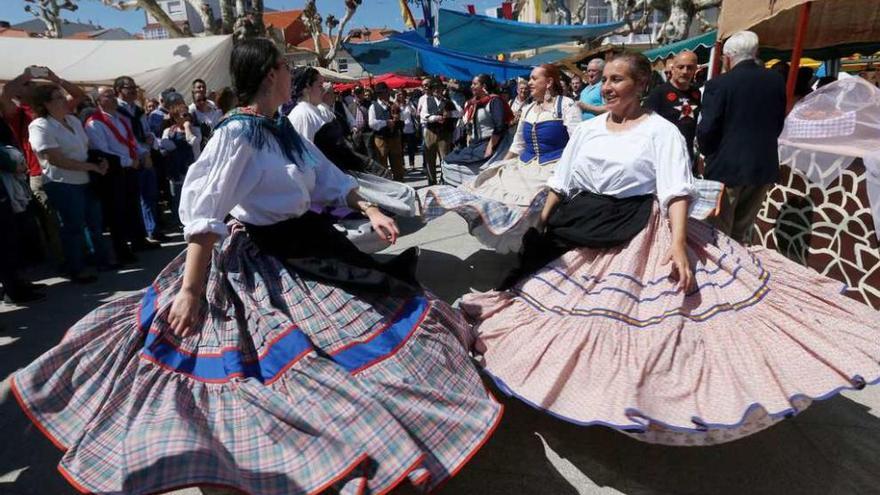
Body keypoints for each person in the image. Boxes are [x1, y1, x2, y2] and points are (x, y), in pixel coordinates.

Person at [12, 38, 502, 495]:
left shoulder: (279, 127)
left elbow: (328, 177)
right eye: (287, 67)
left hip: (312, 242)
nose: (293, 74)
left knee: (390, 308)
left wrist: (369, 207)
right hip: (266, 252)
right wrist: (190, 290)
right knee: (278, 359)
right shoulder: (238, 133)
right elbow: (204, 212)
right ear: (271, 75)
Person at [460, 51, 880, 447]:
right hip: (579, 221)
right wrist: (542, 224)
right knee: (546, 306)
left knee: (643, 320)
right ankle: (569, 385)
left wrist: (678, 244)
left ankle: (636, 398)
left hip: (635, 224)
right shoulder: (587, 130)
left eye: (616, 79)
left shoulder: (660, 131)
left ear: (641, 84)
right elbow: (560, 182)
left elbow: (675, 192)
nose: (606, 88)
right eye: (604, 80)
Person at [421, 64, 581, 253]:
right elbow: (518, 144)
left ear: (549, 82)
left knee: (529, 202)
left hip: (553, 167)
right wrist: (502, 164)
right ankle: (525, 245)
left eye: (533, 79)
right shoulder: (529, 109)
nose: (528, 83)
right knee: (488, 189)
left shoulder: (566, 105)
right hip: (526, 165)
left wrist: (567, 172)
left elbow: (577, 143)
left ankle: (535, 244)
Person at [287, 67, 418, 218]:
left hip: (340, 173)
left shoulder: (314, 111)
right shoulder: (302, 114)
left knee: (395, 194)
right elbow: (304, 157)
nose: (323, 90)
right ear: (307, 87)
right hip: (329, 182)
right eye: (319, 85)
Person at [697, 31, 786, 245]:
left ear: (727, 58)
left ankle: (723, 276)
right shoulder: (775, 80)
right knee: (740, 233)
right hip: (762, 166)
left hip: (727, 169)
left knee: (719, 234)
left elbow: (707, 130)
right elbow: (778, 123)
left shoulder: (719, 84)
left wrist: (707, 154)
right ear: (755, 53)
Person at [27, 83, 111, 283]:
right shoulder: (40, 125)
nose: (65, 100)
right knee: (73, 227)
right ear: (46, 104)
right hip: (63, 183)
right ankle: (76, 268)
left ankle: (101, 260)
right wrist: (91, 167)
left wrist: (99, 160)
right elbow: (55, 159)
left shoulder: (72, 120)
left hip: (85, 179)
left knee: (95, 222)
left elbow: (86, 147)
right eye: (58, 97)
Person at [85, 86, 158, 262]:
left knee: (133, 207)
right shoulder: (94, 123)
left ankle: (138, 241)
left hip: (130, 168)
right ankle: (121, 250)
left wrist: (144, 152)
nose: (113, 99)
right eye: (107, 96)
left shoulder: (121, 119)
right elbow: (103, 151)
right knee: (117, 212)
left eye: (113, 96)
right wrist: (128, 161)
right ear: (98, 101)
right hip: (113, 172)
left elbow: (131, 142)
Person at [440, 74, 514, 187]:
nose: (471, 86)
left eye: (475, 84)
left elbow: (499, 126)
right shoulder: (474, 103)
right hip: (476, 145)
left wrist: (490, 146)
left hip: (489, 145)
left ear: (483, 86)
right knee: (447, 161)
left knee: (455, 167)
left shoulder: (494, 101)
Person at [115, 76, 165, 244]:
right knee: (134, 199)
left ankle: (153, 230)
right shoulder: (115, 110)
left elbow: (145, 130)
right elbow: (125, 136)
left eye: (134, 87)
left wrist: (150, 138)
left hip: (145, 154)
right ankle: (138, 235)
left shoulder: (137, 110)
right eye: (129, 88)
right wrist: (142, 153)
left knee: (150, 195)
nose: (134, 91)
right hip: (131, 158)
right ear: (119, 90)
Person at [645, 50, 702, 166]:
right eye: (681, 67)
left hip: (687, 153)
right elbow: (645, 124)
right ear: (673, 69)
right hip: (664, 155)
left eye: (690, 68)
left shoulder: (696, 93)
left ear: (695, 70)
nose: (685, 71)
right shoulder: (659, 93)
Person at [158, 98, 201, 227]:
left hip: (192, 167)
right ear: (176, 118)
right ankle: (179, 221)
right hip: (176, 169)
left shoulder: (196, 130)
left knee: (193, 197)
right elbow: (164, 147)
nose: (187, 117)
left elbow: (194, 142)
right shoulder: (168, 131)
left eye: (188, 114)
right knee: (177, 197)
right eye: (183, 115)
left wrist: (188, 128)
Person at [418, 78, 453, 185]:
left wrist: (451, 114)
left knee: (445, 158)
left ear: (442, 89)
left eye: (439, 88)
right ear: (432, 90)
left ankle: (445, 180)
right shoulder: (426, 100)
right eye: (434, 88)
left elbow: (459, 112)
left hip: (444, 133)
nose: (437, 90)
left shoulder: (448, 101)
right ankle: (431, 181)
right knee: (430, 159)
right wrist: (435, 118)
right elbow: (423, 115)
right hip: (430, 132)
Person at [368, 82, 406, 181]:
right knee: (382, 165)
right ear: (379, 94)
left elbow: (404, 119)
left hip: (394, 138)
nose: (387, 94)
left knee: (397, 165)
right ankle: (386, 187)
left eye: (387, 92)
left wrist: (399, 118)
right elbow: (371, 123)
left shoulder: (394, 105)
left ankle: (400, 185)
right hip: (381, 139)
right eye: (385, 92)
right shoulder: (373, 106)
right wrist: (386, 123)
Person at [396, 90, 420, 170]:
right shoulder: (396, 105)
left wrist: (409, 104)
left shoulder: (409, 104)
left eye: (402, 95)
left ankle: (412, 164)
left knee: (411, 148)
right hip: (401, 129)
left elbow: (414, 113)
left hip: (410, 128)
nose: (401, 96)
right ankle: (402, 165)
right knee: (400, 148)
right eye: (399, 95)